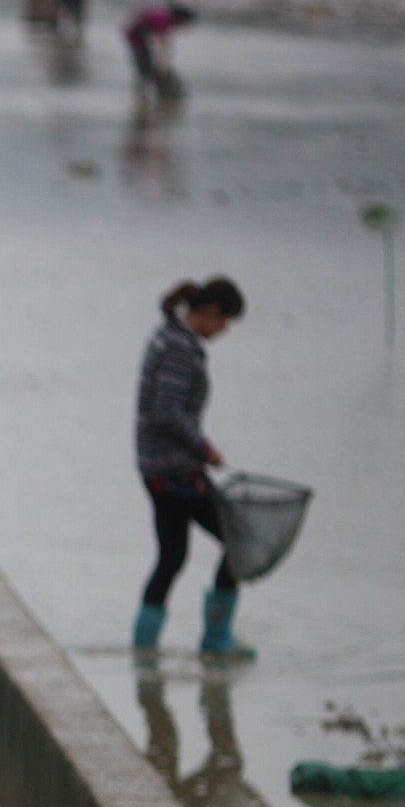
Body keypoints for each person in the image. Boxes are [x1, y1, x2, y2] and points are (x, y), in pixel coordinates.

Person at [132, 277, 251, 659]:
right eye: (226, 321)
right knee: (239, 542)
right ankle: (216, 641)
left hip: (154, 468)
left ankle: (144, 650)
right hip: (176, 472)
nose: (225, 330)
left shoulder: (165, 334)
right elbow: (165, 411)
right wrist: (206, 450)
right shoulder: (182, 349)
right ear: (212, 312)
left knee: (171, 557)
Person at [126, 3, 195, 99]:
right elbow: (160, 42)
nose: (183, 26)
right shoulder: (162, 18)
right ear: (180, 18)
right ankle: (142, 95)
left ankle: (147, 91)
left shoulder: (165, 18)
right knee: (145, 67)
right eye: (184, 23)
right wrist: (163, 63)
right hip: (136, 40)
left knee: (153, 67)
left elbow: (163, 42)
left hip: (143, 39)